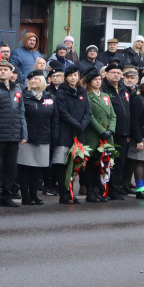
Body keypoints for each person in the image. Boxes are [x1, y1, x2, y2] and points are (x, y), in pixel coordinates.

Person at [0, 59, 27, 208]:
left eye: (5, 69)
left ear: (11, 73)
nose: (3, 71)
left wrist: (24, 133)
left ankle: (7, 196)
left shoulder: (17, 90)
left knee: (11, 168)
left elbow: (21, 113)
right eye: (0, 69)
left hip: (13, 134)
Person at [52, 64, 91, 204]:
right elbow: (63, 113)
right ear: (66, 78)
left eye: (76, 75)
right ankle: (64, 193)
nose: (73, 78)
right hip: (65, 133)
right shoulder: (61, 92)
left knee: (75, 164)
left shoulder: (82, 92)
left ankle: (71, 193)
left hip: (79, 133)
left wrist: (83, 125)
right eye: (70, 75)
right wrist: (77, 124)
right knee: (63, 165)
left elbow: (88, 112)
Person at [18, 69, 57, 205]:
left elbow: (54, 119)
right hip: (27, 138)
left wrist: (54, 136)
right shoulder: (24, 96)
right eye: (31, 79)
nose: (33, 81)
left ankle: (34, 195)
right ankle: (25, 196)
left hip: (44, 137)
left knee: (37, 168)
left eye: (36, 79)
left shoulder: (49, 98)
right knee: (25, 168)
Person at [81, 68, 115, 202]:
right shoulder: (87, 96)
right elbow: (90, 117)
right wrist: (102, 131)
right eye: (95, 80)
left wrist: (111, 130)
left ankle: (98, 190)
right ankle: (90, 192)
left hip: (107, 135)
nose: (98, 82)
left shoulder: (105, 96)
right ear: (89, 82)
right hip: (94, 135)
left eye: (99, 79)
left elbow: (113, 115)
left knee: (101, 164)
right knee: (91, 165)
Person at [100, 61, 131, 199]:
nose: (116, 75)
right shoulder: (103, 89)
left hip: (123, 132)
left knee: (120, 163)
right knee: (108, 163)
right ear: (106, 74)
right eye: (113, 72)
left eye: (119, 73)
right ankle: (107, 189)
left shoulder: (124, 89)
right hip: (109, 132)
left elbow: (128, 111)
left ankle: (117, 188)